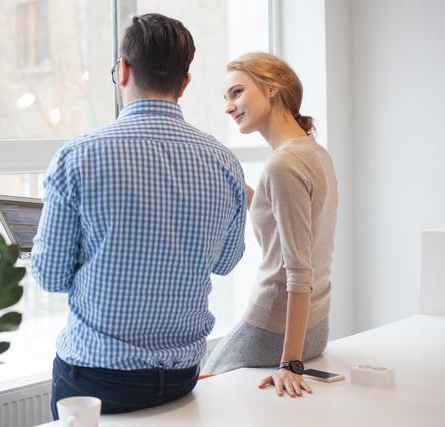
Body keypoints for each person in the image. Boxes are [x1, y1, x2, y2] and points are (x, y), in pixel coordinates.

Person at [31, 13, 246, 418]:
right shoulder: (225, 162)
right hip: (182, 375)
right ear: (185, 83)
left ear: (123, 71)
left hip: (95, 379)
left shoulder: (79, 157)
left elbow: (50, 277)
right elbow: (226, 261)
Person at [202, 52, 338, 398]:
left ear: (272, 88)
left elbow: (297, 269)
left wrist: (289, 363)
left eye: (236, 93)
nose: (229, 107)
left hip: (275, 328)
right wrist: (233, 179)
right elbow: (280, 214)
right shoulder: (313, 152)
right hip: (316, 328)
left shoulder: (283, 164)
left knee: (204, 385)